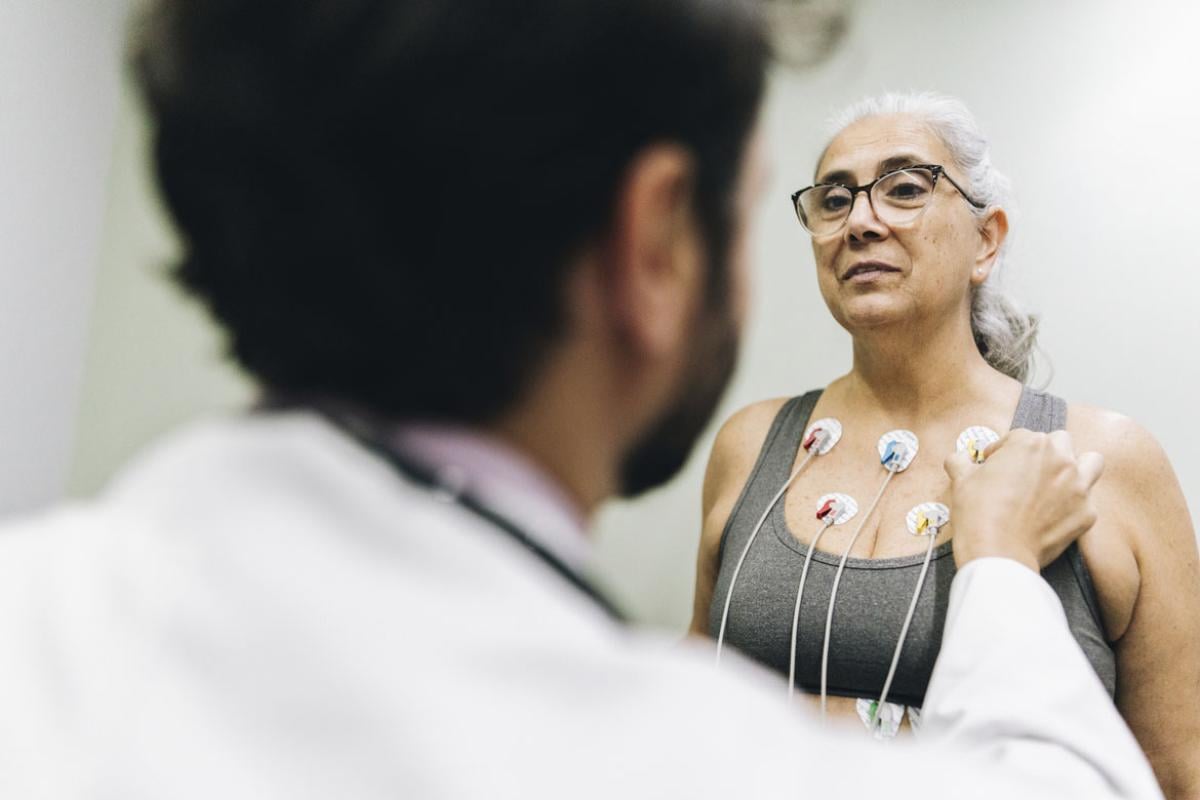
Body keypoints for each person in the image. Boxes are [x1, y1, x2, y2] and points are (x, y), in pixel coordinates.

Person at [0, 5, 1162, 799]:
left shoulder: (33, 616)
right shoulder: (662, 750)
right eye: (819, 196)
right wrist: (1001, 569)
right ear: (657, 241)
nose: (861, 219)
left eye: (906, 189)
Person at [692, 92, 1197, 794]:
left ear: (985, 240)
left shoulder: (1105, 461)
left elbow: (1178, 775)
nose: (861, 221)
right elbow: (690, 718)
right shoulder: (749, 446)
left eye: (904, 189)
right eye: (834, 200)